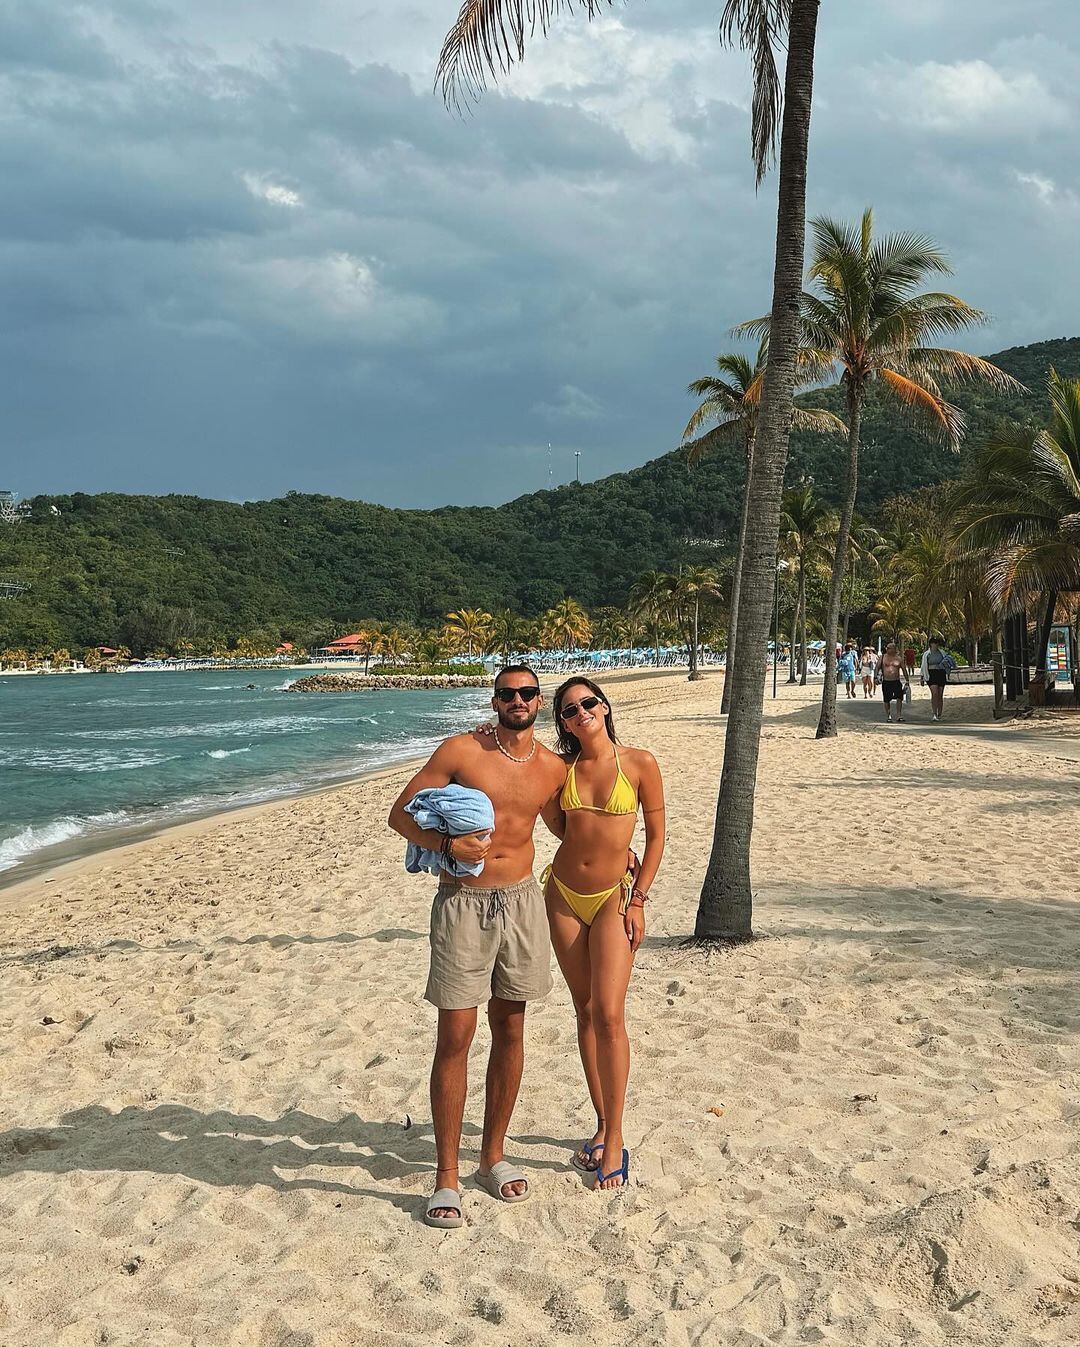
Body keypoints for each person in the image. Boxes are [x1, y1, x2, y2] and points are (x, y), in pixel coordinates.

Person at [388, 664, 566, 1229]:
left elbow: (568, 827)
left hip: (521, 902)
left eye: (529, 693)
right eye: (509, 693)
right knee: (456, 1036)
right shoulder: (462, 751)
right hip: (464, 903)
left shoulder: (552, 767)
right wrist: (445, 840)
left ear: (540, 702)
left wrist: (629, 851)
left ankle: (492, 1155)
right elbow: (399, 815)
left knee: (511, 1028)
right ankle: (445, 1176)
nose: (519, 700)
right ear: (495, 700)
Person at [544, 677, 665, 1192]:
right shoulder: (560, 770)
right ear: (565, 724)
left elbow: (657, 836)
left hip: (616, 899)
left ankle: (614, 1137)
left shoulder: (639, 764)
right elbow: (558, 827)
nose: (581, 712)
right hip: (564, 896)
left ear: (605, 706)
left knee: (611, 1014)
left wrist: (637, 896)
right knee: (586, 1010)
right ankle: (600, 1122)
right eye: (570, 710)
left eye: (588, 703)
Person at [877, 641, 910, 723]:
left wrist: (907, 680)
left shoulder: (899, 658)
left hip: (896, 681)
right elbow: (877, 667)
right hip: (886, 681)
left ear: (894, 649)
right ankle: (888, 716)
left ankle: (899, 715)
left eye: (889, 648)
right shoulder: (883, 657)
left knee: (899, 697)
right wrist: (875, 677)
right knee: (886, 699)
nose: (887, 649)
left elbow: (904, 670)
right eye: (887, 648)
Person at [921, 636, 952, 721]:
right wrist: (922, 677)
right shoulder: (927, 654)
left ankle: (939, 714)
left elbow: (947, 662)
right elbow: (923, 666)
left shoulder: (942, 652)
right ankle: (934, 713)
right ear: (931, 644)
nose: (936, 645)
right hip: (931, 674)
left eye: (937, 643)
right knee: (934, 693)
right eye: (934, 643)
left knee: (940, 694)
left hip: (941, 673)